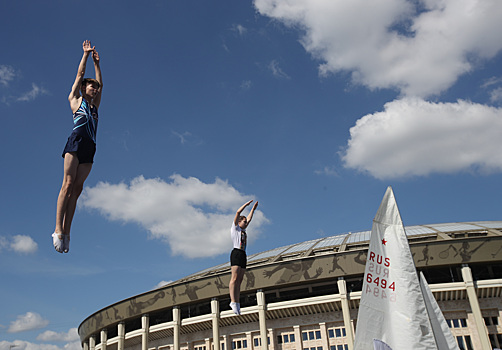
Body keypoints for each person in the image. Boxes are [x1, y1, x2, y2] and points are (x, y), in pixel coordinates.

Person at [52, 40, 103, 253]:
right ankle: (57, 230)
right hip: (76, 142)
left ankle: (68, 232)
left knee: (78, 189)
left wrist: (98, 64)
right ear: (84, 88)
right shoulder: (76, 100)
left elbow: (101, 83)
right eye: (91, 85)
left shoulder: (95, 106)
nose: (94, 88)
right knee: (68, 183)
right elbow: (80, 74)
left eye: (95, 86)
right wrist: (85, 56)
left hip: (89, 146)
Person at [229, 200, 258, 315]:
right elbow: (237, 212)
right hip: (236, 252)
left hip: (243, 254)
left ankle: (237, 302)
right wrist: (246, 205)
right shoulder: (235, 228)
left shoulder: (244, 230)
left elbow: (250, 219)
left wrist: (253, 210)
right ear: (239, 221)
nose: (246, 223)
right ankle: (232, 301)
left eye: (246, 222)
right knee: (234, 278)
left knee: (240, 280)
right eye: (244, 221)